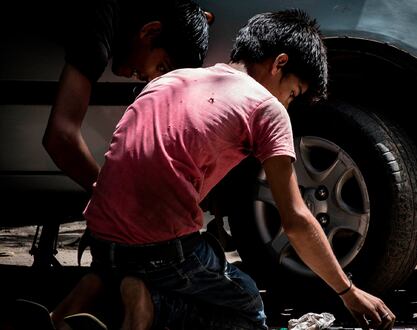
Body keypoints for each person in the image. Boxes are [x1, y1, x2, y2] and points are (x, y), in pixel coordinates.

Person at [83, 8, 396, 330]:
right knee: (247, 309)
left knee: (176, 266)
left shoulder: (172, 79)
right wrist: (349, 291)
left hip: (99, 240)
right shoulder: (266, 108)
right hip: (160, 252)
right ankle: (149, 305)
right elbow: (296, 221)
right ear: (280, 63)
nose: (287, 103)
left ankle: (97, 290)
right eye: (293, 93)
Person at [29, 0, 212, 328]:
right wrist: (114, 197)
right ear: (150, 31)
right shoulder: (96, 24)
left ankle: (67, 311)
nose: (151, 83)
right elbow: (61, 136)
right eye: (160, 68)